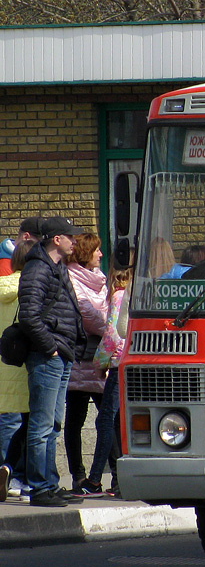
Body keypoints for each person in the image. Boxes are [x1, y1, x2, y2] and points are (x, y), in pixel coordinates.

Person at [18, 216, 87, 507]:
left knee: (54, 424)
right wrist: (51, 349)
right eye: (70, 236)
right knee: (42, 424)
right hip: (48, 355)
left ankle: (50, 483)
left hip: (62, 354)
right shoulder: (37, 268)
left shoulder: (57, 267)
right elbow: (29, 316)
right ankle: (39, 487)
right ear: (56, 239)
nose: (75, 241)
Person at [78, 260, 131, 498]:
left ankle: (96, 478)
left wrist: (100, 363)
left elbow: (111, 334)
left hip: (118, 363)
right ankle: (119, 480)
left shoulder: (120, 296)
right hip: (132, 363)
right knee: (118, 421)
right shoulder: (138, 295)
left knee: (105, 420)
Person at [64, 232, 110, 495]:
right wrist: (111, 330)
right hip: (82, 357)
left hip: (100, 357)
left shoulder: (99, 281)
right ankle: (79, 477)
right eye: (96, 250)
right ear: (85, 253)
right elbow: (89, 314)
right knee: (76, 420)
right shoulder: (72, 279)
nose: (100, 255)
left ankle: (113, 475)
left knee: (109, 419)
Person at [0, 240, 34, 501]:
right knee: (32, 424)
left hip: (3, 368)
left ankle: (6, 470)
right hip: (22, 369)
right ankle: (19, 476)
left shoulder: (3, 288)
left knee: (12, 423)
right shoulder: (30, 289)